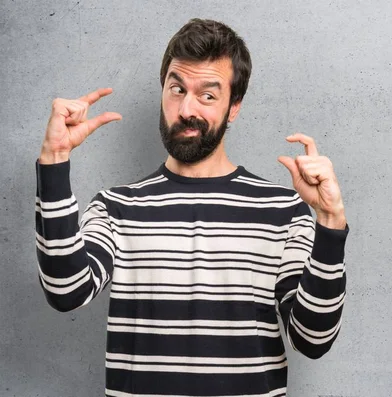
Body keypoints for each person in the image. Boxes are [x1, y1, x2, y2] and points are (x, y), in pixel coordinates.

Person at [35, 18, 348, 397]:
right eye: (177, 89)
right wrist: (54, 160)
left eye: (208, 95)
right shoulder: (116, 207)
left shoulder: (283, 210)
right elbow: (66, 290)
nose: (186, 109)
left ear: (234, 106)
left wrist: (330, 222)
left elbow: (313, 339)